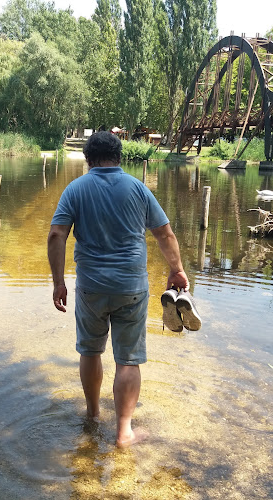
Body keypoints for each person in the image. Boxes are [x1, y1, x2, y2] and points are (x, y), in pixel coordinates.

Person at [47, 131, 189, 447]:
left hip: (91, 288)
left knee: (90, 350)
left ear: (88, 159)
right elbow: (164, 235)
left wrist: (59, 282)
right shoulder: (138, 188)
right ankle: (124, 432)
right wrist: (176, 270)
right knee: (128, 359)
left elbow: (57, 236)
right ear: (120, 157)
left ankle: (94, 414)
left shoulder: (75, 189)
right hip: (131, 288)